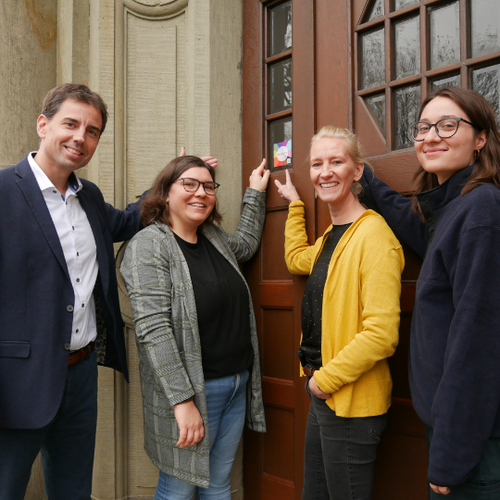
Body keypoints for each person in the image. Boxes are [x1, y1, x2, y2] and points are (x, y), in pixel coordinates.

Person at [0, 83, 216, 500]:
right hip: (16, 382)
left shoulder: (90, 199)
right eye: (71, 124)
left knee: (74, 490)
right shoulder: (4, 191)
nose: (81, 137)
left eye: (93, 130)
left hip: (79, 376)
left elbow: (131, 219)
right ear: (43, 125)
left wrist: (180, 183)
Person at [359, 86, 500, 498]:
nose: (431, 136)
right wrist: (369, 181)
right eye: (422, 127)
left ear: (480, 139)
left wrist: (451, 453)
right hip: (456, 427)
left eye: (448, 124)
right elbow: (421, 230)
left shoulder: (481, 209)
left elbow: (478, 339)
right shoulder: (456, 205)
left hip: (472, 440)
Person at [120, 155, 269, 499]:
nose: (200, 192)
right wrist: (183, 401)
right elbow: (153, 329)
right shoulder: (149, 245)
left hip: (236, 385)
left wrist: (255, 193)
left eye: (208, 186)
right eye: (188, 184)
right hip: (193, 393)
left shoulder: (214, 238)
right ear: (165, 193)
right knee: (178, 490)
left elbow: (245, 245)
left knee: (218, 487)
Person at [274, 126, 404, 500]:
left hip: (349, 402)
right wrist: (296, 207)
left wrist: (323, 382)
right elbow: (297, 258)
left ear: (357, 171)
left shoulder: (374, 236)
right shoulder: (334, 236)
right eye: (317, 164)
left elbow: (381, 334)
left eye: (336, 161)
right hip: (326, 395)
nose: (325, 171)